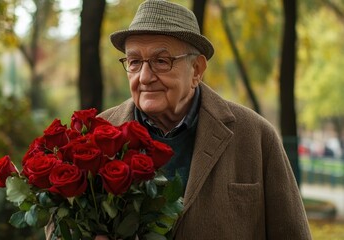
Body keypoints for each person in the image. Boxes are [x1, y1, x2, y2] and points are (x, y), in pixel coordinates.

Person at [46, 0, 312, 239]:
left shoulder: (255, 136)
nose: (144, 77)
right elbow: (57, 228)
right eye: (134, 62)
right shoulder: (97, 136)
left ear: (196, 69)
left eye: (161, 61)